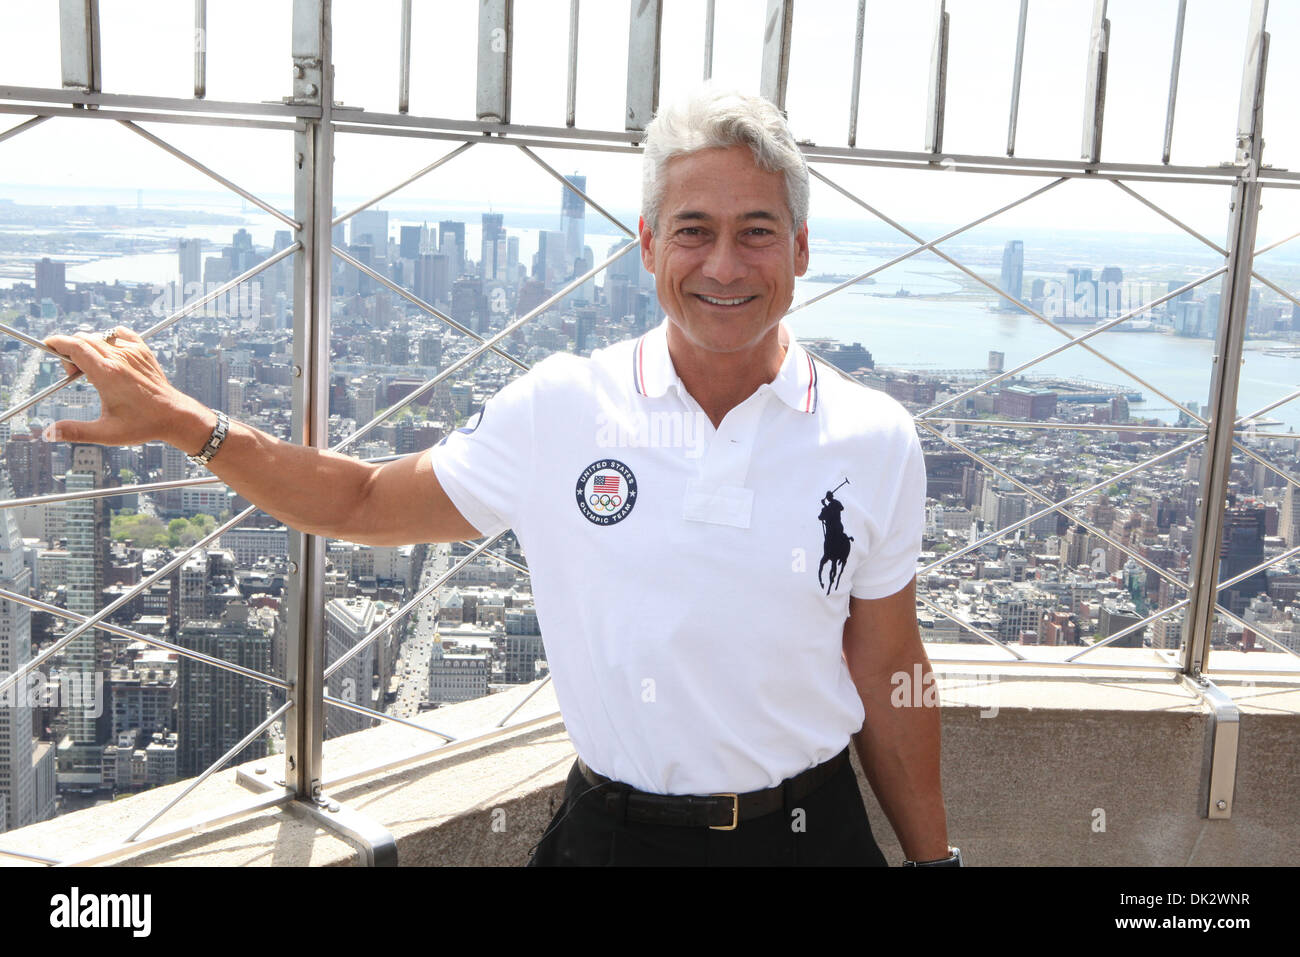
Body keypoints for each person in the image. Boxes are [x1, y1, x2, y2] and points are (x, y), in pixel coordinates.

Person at [42, 86, 956, 867]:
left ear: (800, 248)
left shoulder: (874, 437)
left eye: (757, 232)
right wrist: (186, 423)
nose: (724, 264)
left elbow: (888, 663)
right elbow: (360, 499)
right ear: (646, 246)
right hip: (612, 833)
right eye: (694, 231)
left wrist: (933, 860)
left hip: (808, 835)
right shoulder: (563, 408)